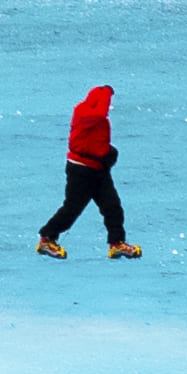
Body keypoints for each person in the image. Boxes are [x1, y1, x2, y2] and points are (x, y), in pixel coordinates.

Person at [41, 85, 137, 258]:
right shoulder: (85, 113)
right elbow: (99, 114)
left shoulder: (94, 118)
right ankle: (47, 239)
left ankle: (117, 243)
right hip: (81, 171)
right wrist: (107, 93)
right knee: (71, 209)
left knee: (112, 207)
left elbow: (96, 143)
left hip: (98, 169)